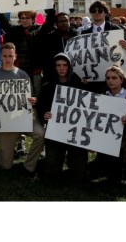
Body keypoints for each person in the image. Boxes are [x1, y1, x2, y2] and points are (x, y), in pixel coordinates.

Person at [0, 43, 45, 175]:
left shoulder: (22, 75)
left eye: (10, 56)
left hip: (22, 118)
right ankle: (3, 154)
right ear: (1, 57)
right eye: (5, 56)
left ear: (15, 56)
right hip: (5, 123)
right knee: (6, 167)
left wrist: (33, 100)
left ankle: (29, 166)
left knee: (41, 133)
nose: (7, 59)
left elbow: (29, 97)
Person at [39, 53, 88, 182]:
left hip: (75, 134)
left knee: (80, 176)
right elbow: (40, 107)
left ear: (70, 66)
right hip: (55, 133)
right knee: (52, 175)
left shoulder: (80, 85)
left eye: (65, 65)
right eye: (58, 65)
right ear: (54, 67)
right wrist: (44, 114)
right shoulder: (47, 86)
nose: (61, 68)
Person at [80, 0, 126, 93]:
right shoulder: (85, 33)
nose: (97, 13)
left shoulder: (115, 29)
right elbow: (82, 57)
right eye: (94, 11)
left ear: (106, 12)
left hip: (113, 76)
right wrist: (83, 73)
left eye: (100, 10)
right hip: (93, 78)